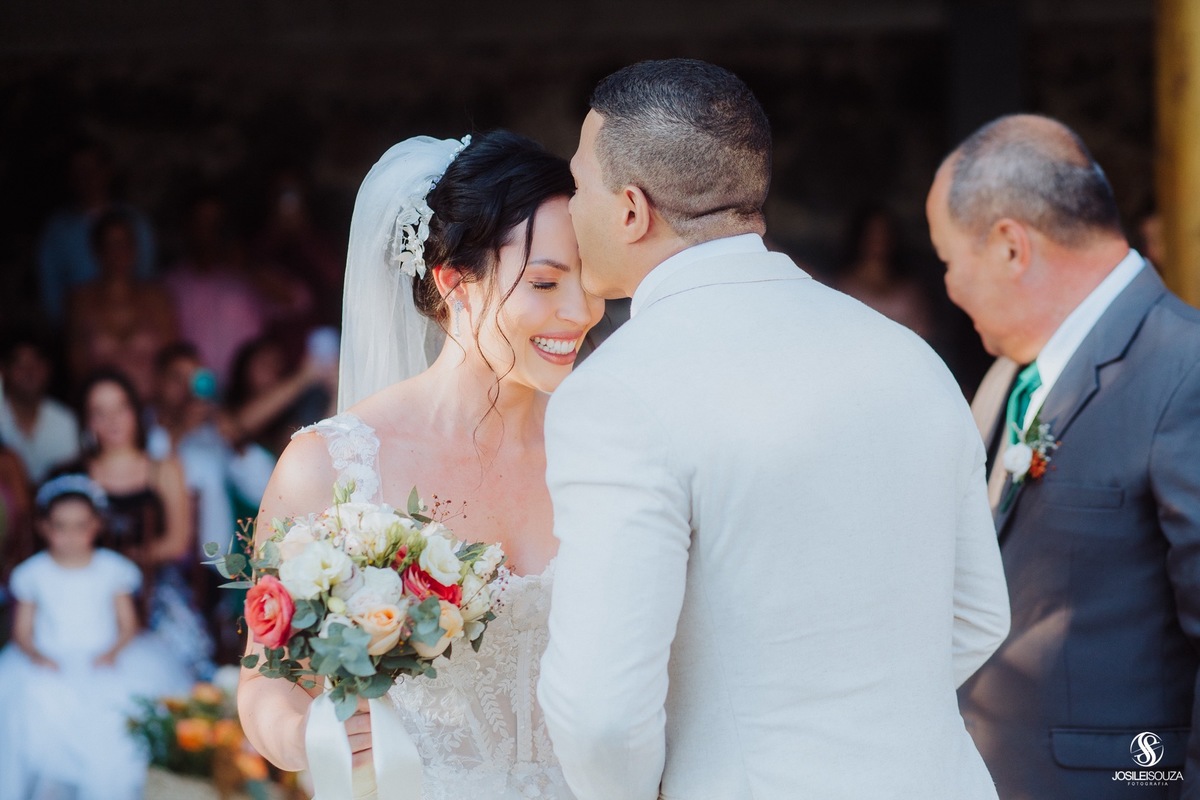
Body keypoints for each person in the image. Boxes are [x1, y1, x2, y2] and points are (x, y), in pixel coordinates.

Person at [537, 58, 1011, 800]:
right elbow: (979, 615)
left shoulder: (616, 393)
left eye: (576, 186)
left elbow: (601, 717)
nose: (570, 210)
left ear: (630, 210)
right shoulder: (909, 357)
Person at [237, 130, 604, 798]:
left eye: (590, 278)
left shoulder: (608, 450)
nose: (582, 311)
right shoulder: (333, 466)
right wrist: (306, 732)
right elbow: (267, 684)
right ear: (454, 281)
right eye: (547, 281)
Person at [926, 114, 1200, 798]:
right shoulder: (1006, 380)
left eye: (948, 260)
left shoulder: (1185, 369)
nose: (949, 287)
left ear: (1010, 247)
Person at [0, 474, 187, 800]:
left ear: (96, 526)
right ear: (44, 528)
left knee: (115, 708)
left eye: (80, 526)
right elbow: (22, 632)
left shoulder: (113, 569)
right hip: (51, 657)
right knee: (36, 700)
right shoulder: (33, 573)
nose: (71, 536)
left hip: (103, 654)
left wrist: (113, 651)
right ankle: (52, 784)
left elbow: (127, 625)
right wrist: (37, 656)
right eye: (60, 526)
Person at [65, 368, 214, 680]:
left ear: (135, 411)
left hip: (153, 585)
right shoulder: (72, 474)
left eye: (120, 408)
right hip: (90, 585)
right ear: (87, 421)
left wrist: (128, 560)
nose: (113, 421)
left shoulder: (164, 469)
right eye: (100, 412)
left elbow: (177, 541)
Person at [36, 140, 157, 325]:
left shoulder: (134, 221)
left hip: (133, 324)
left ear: (107, 171)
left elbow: (146, 276)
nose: (87, 177)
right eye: (79, 171)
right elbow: (51, 290)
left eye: (92, 169)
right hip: (80, 327)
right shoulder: (57, 230)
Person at [66, 209, 178, 398]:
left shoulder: (157, 298)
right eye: (110, 244)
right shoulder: (80, 301)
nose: (118, 252)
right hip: (104, 408)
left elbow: (172, 363)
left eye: (125, 243)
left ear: (135, 248)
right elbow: (78, 370)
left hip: (154, 407)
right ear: (97, 250)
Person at [0, 334, 80, 483]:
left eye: (36, 363)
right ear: (4, 370)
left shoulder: (66, 421)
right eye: (20, 364)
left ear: (48, 369)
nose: (29, 372)